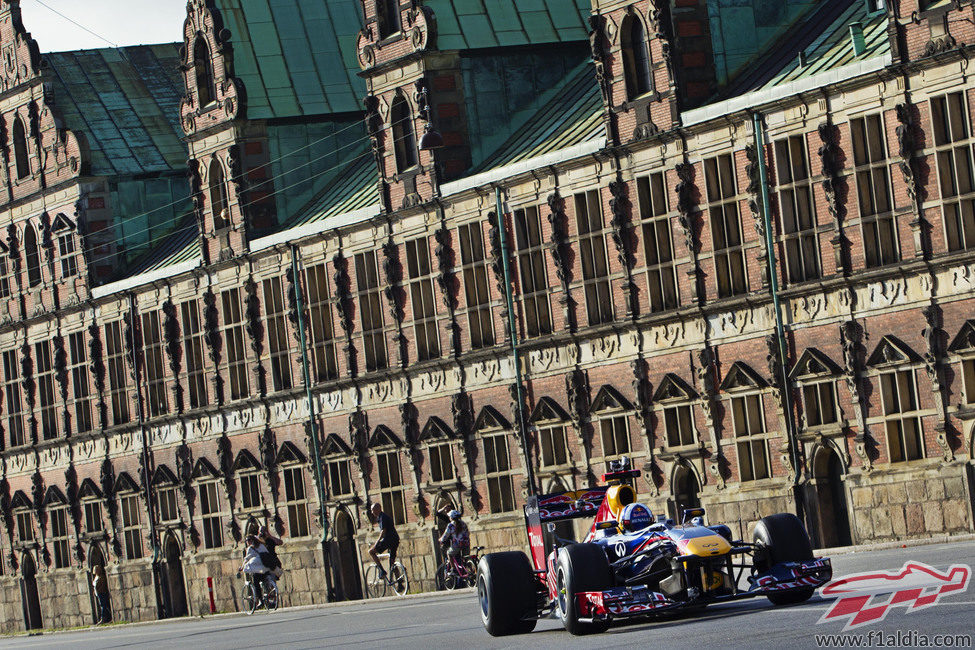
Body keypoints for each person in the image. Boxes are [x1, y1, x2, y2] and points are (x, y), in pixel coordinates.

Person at [368, 502, 399, 581]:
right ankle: (399, 582)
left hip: (388, 539)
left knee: (371, 552)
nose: (372, 512)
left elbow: (383, 531)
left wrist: (377, 543)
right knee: (392, 561)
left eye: (372, 510)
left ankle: (382, 571)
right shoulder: (384, 516)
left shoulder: (382, 517)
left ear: (378, 509)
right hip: (395, 539)